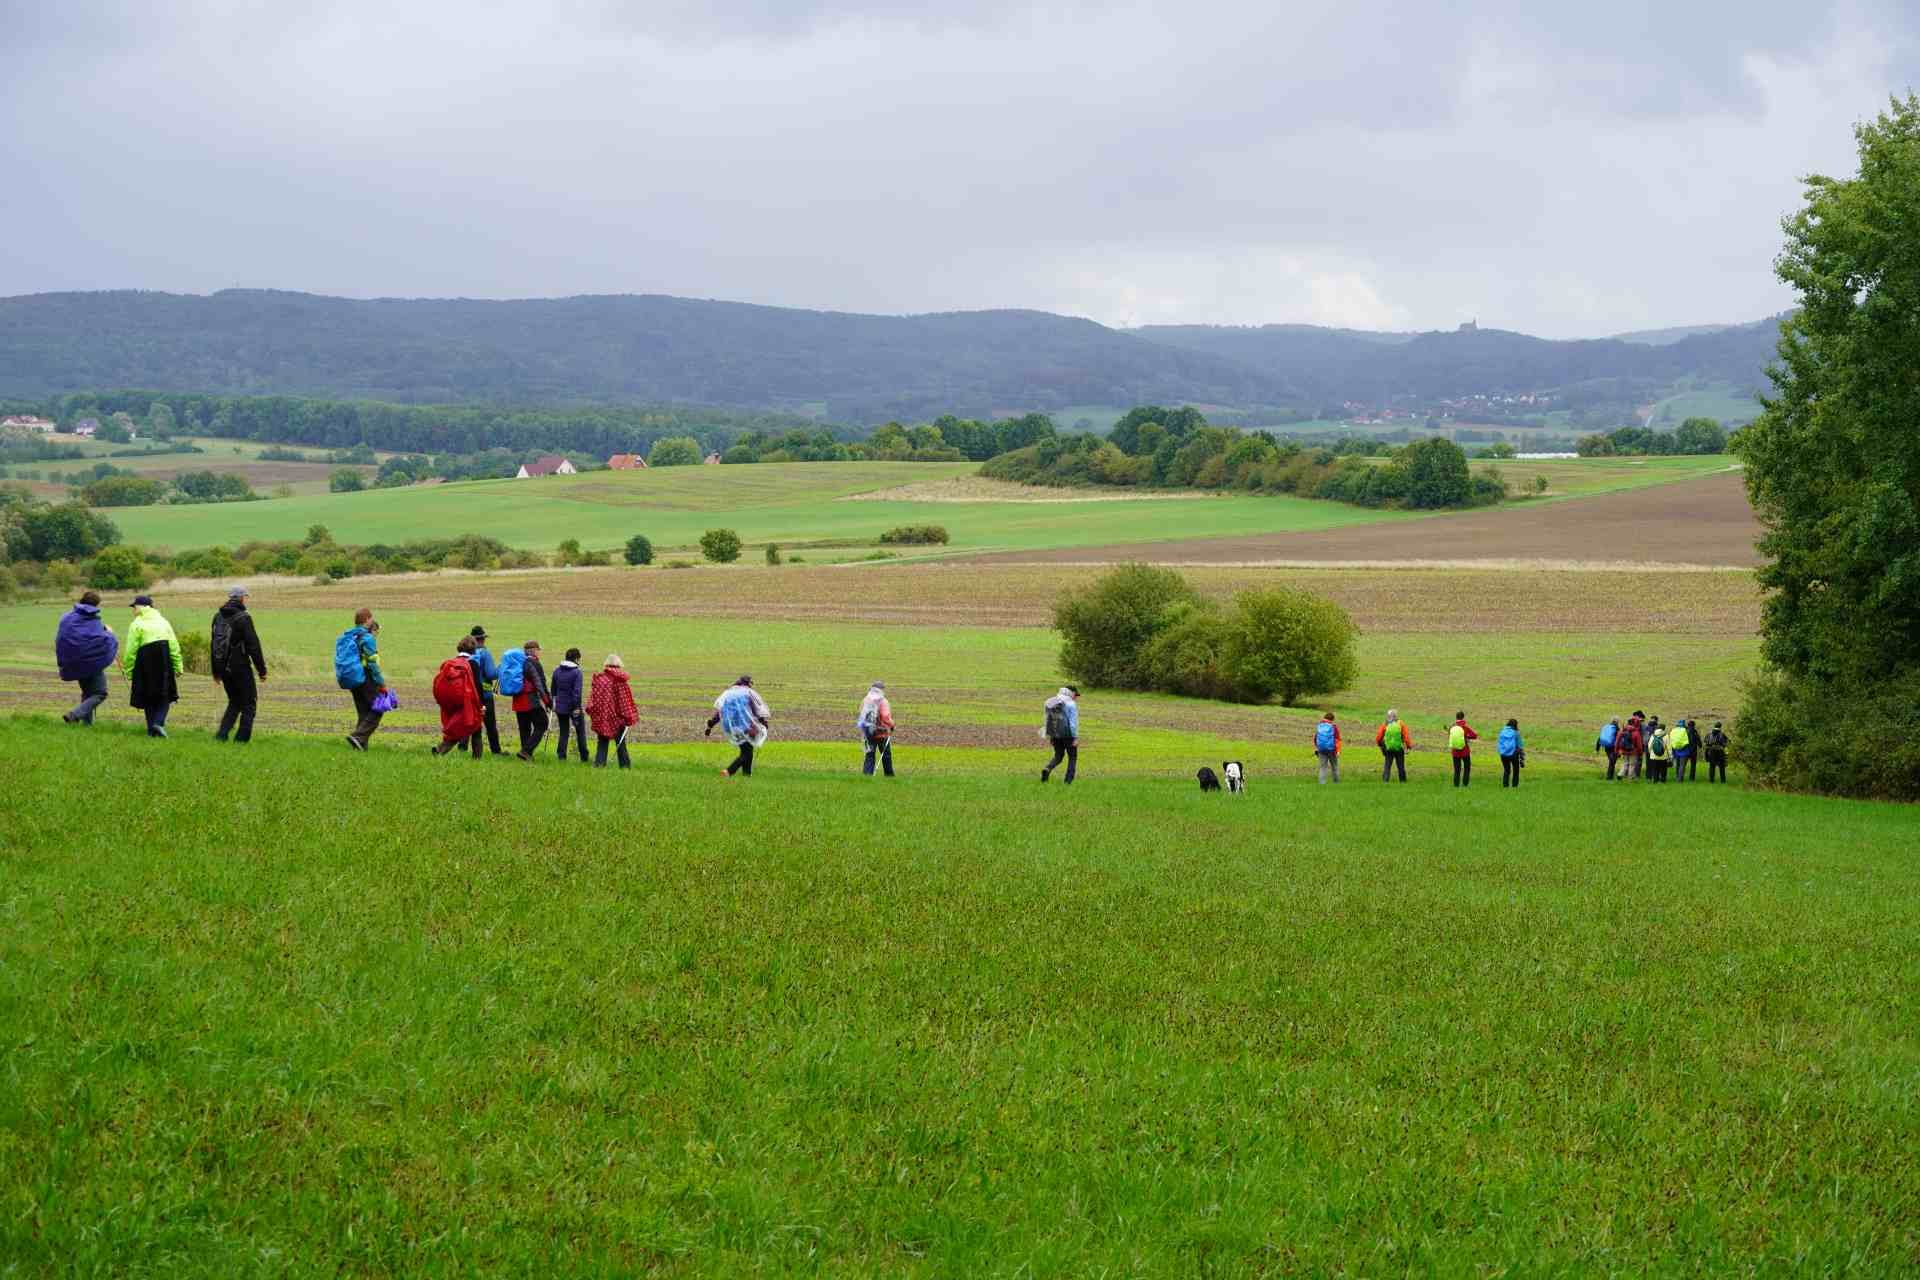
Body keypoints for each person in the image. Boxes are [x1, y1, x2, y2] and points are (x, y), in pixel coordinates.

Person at [210, 586, 268, 743]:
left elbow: (213, 644)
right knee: (249, 703)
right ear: (242, 598)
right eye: (245, 597)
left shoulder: (217, 617)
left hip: (223, 668)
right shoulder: (244, 617)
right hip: (240, 667)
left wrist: (215, 672)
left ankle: (221, 735)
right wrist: (262, 670)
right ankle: (241, 740)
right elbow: (253, 646)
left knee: (234, 701)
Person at [55, 590, 118, 725]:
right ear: (96, 605)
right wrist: (110, 633)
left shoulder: (66, 617)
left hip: (73, 662)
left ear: (81, 600)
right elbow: (100, 638)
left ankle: (86, 725)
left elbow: (63, 637)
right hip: (91, 663)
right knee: (100, 693)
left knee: (88, 692)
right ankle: (74, 715)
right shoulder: (93, 619)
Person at [124, 594, 182, 738]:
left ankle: (152, 728)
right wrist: (178, 665)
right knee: (165, 695)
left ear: (140, 607)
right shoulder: (163, 621)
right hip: (163, 658)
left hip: (145, 660)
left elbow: (131, 650)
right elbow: (173, 645)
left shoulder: (136, 623)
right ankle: (158, 724)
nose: (133, 610)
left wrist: (129, 671)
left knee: (147, 695)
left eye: (134, 607)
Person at [335, 608, 387, 750]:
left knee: (363, 712)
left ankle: (360, 746)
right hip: (366, 678)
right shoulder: (367, 638)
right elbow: (372, 663)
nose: (372, 621)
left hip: (352, 678)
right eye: (371, 618)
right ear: (367, 620)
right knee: (379, 708)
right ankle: (357, 737)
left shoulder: (349, 635)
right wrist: (381, 683)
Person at [707, 675, 771, 778]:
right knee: (747, 752)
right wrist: (763, 722)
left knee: (747, 749)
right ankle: (728, 771)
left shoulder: (729, 693)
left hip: (730, 727)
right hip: (745, 727)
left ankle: (746, 775)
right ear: (748, 683)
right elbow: (756, 709)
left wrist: (711, 725)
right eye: (751, 683)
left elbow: (721, 712)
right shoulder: (748, 693)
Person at [431, 636, 484, 756]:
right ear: (473, 649)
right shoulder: (472, 664)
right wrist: (482, 704)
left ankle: (440, 750)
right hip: (468, 701)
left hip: (453, 701)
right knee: (475, 728)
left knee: (459, 727)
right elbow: (478, 686)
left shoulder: (451, 663)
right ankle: (476, 759)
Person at [499, 640, 552, 761]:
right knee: (542, 723)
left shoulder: (519, 662)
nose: (539, 652)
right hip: (530, 700)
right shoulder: (533, 663)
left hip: (517, 700)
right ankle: (526, 751)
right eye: (538, 650)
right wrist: (548, 702)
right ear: (533, 650)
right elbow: (539, 683)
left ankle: (525, 756)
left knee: (524, 728)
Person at [588, 654, 640, 768]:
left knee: (602, 742)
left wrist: (596, 715)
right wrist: (629, 717)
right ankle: (625, 766)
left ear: (606, 664)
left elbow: (593, 699)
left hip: (602, 716)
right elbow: (624, 702)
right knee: (620, 742)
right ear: (619, 665)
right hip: (617, 718)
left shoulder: (600, 679)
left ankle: (599, 765)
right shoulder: (620, 681)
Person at [467, 625, 503, 756]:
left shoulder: (467, 654)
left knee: (469, 721)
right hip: (485, 692)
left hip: (469, 692)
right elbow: (491, 674)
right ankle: (496, 750)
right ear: (482, 639)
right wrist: (500, 669)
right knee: (490, 724)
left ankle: (462, 747)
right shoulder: (485, 653)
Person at [551, 647, 588, 764]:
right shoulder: (577, 673)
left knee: (563, 732)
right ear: (576, 658)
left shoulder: (557, 671)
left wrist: (554, 703)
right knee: (580, 732)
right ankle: (584, 757)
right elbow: (577, 692)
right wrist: (577, 707)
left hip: (560, 707)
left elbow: (553, 690)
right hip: (573, 707)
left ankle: (561, 756)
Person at [1039, 685, 1079, 784]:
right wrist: (1075, 737)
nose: (1076, 697)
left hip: (1055, 734)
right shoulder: (1071, 704)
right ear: (1071, 693)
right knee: (1072, 757)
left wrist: (1050, 735)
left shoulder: (1052, 701)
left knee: (1058, 755)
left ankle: (1047, 768)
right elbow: (1073, 723)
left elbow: (1047, 719)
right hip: (1068, 734)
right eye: (1075, 695)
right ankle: (1068, 781)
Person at [857, 680, 895, 777]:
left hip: (868, 733)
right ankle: (889, 776)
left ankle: (867, 776)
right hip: (882, 733)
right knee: (886, 755)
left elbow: (861, 714)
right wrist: (892, 725)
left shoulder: (866, 699)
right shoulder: (883, 701)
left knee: (869, 755)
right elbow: (885, 716)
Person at [1376, 710, 1411, 782]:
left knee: (1387, 765)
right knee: (1401, 766)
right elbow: (1406, 737)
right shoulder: (1401, 724)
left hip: (1388, 748)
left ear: (1388, 716)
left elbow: (1379, 736)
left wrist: (1380, 745)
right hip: (1399, 748)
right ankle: (1403, 781)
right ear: (1396, 716)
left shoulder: (1385, 724)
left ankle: (1385, 780)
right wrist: (1408, 746)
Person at [1448, 711, 1478, 787]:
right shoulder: (1465, 727)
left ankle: (1456, 784)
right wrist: (1467, 737)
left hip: (1455, 751)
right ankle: (1465, 784)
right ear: (1463, 717)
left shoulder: (1452, 727)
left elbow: (1450, 735)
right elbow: (1474, 735)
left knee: (1456, 769)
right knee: (1467, 768)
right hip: (1465, 751)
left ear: (1456, 717)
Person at [1314, 711, 1342, 784]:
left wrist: (1318, 747)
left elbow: (1315, 738)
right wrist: (1338, 751)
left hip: (1321, 750)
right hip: (1332, 750)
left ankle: (1322, 783)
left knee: (1322, 767)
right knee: (1334, 767)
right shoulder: (1333, 727)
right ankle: (1336, 783)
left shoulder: (1320, 726)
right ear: (1332, 719)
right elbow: (1338, 739)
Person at [1617, 712, 1645, 781]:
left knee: (1625, 763)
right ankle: (1630, 778)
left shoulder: (1623, 730)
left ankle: (1620, 774)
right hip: (1633, 751)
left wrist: (1618, 750)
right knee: (1632, 765)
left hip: (1624, 750)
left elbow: (1618, 741)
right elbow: (1639, 745)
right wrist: (1640, 752)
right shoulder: (1636, 732)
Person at [1498, 718, 1524, 788]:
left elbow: (1499, 743)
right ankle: (1514, 786)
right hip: (1513, 754)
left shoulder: (1502, 731)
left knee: (1506, 770)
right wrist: (1522, 755)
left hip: (1503, 754)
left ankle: (1505, 785)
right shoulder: (1516, 733)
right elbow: (1520, 745)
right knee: (1516, 770)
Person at [1669, 716, 1692, 784]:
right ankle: (1680, 779)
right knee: (1682, 765)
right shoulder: (1686, 731)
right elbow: (1689, 741)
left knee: (1678, 765)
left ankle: (1677, 776)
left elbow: (1671, 740)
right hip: (1684, 751)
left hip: (1676, 750)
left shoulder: (1673, 730)